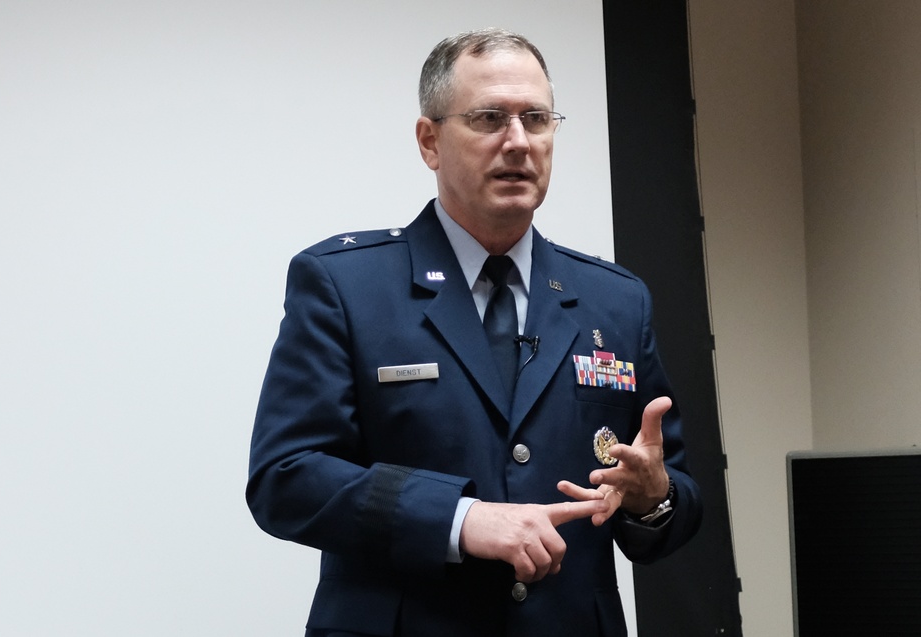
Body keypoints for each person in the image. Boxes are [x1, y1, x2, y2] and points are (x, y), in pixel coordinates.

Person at [246, 28, 702, 637]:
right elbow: (287, 477)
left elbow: (671, 505)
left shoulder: (616, 300)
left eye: (536, 119)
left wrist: (653, 496)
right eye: (490, 118)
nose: (518, 142)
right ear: (429, 141)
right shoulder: (345, 285)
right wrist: (459, 520)